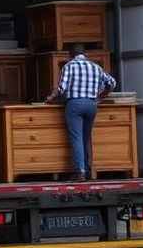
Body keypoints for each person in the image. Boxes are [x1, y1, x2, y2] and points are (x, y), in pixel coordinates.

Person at [46, 44, 117, 182]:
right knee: (86, 138)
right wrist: (101, 96)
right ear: (84, 54)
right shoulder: (96, 67)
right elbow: (112, 83)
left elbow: (61, 88)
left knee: (76, 138)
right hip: (91, 105)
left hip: (75, 105)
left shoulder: (69, 66)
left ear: (70, 54)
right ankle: (88, 169)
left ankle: (80, 172)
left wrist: (50, 98)